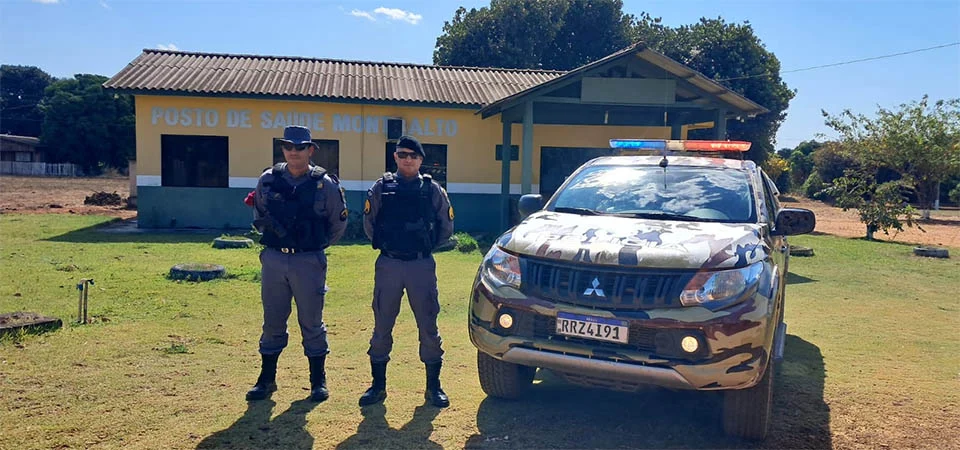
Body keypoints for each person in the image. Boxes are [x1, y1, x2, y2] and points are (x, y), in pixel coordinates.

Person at [246, 125, 347, 403]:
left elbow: (337, 223)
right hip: (275, 259)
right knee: (272, 320)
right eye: (288, 146)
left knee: (312, 322)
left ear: (310, 150)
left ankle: (317, 382)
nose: (293, 151)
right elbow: (260, 213)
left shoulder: (324, 184)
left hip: (307, 260)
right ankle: (266, 380)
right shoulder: (268, 179)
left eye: (300, 147)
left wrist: (312, 246)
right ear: (282, 149)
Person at [359, 135, 455, 408]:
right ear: (396, 158)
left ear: (421, 160)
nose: (408, 159)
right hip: (389, 263)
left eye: (413, 156)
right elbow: (370, 223)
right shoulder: (381, 187)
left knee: (428, 324)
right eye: (402, 155)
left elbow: (445, 227)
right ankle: (377, 387)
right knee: (382, 324)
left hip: (420, 265)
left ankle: (433, 388)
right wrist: (391, 246)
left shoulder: (433, 190)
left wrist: (421, 248)